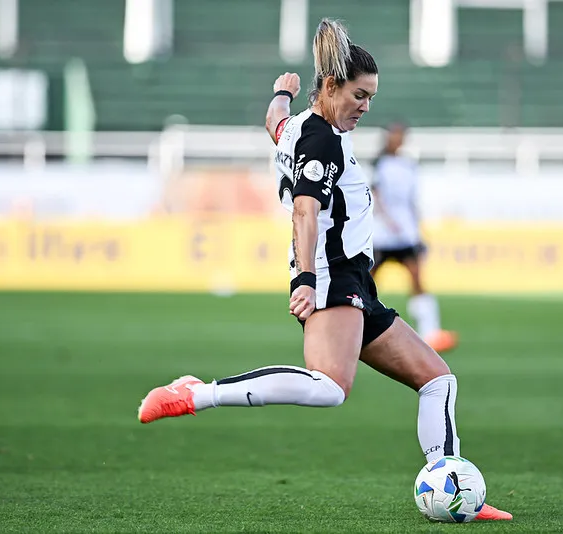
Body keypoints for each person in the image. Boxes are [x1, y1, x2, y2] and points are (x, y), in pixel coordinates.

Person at [136, 18, 511, 522]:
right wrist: (306, 281)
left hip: (356, 281)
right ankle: (197, 393)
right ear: (331, 86)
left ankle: (455, 488)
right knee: (329, 387)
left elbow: (273, 121)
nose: (365, 107)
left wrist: (280, 93)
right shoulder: (321, 141)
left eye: (372, 97)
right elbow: (305, 211)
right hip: (332, 276)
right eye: (359, 95)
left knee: (438, 380)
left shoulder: (297, 126)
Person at [370, 123, 458, 354]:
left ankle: (431, 332)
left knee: (417, 280)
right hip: (382, 233)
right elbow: (375, 195)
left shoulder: (408, 166)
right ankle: (355, 325)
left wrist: (419, 231)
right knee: (366, 283)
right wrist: (387, 220)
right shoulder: (379, 164)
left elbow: (412, 202)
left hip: (406, 234)